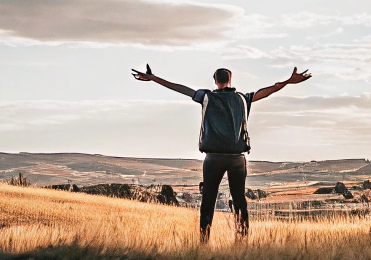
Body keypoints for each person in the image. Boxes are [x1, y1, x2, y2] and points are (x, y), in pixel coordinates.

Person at [131, 63, 312, 240]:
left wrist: (153, 78)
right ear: (231, 80)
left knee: (208, 200)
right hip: (237, 159)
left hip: (213, 158)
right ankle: (242, 239)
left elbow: (179, 88)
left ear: (215, 81)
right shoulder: (243, 98)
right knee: (240, 200)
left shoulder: (206, 97)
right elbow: (270, 89)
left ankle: (204, 240)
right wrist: (289, 81)